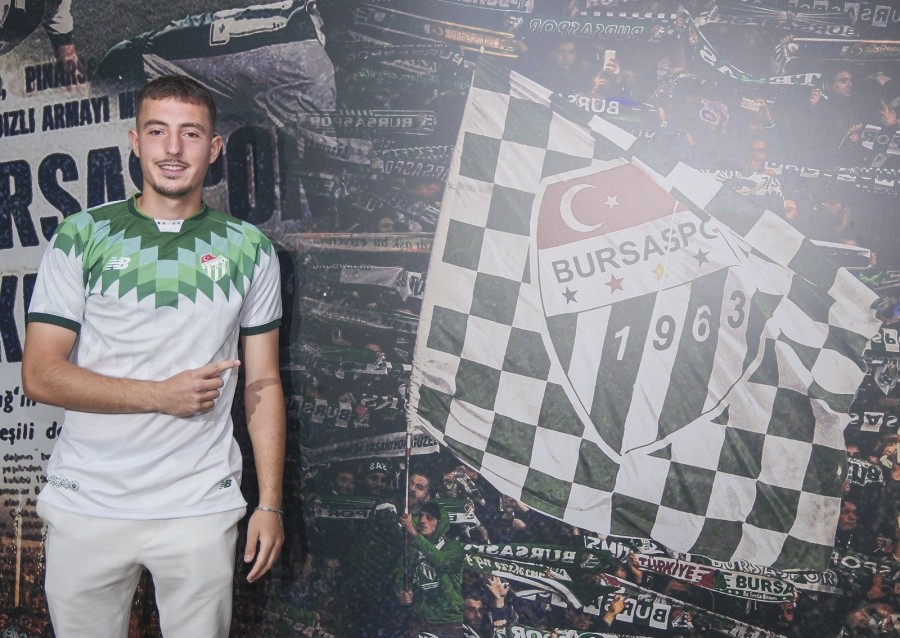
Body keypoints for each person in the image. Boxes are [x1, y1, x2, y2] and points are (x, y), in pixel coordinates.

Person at [21, 75, 286, 638]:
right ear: (135, 141)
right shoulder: (81, 235)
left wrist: (270, 503)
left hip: (198, 507)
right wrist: (161, 396)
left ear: (214, 148)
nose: (173, 149)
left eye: (191, 133)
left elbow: (262, 382)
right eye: (158, 131)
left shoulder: (251, 249)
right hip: (86, 504)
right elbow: (41, 376)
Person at [396, 501, 466, 638]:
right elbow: (401, 577)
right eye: (421, 516)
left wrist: (414, 534)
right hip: (419, 620)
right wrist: (402, 592)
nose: (423, 521)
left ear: (440, 522)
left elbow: (441, 561)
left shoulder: (454, 547)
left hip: (447, 622)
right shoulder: (412, 549)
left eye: (430, 517)